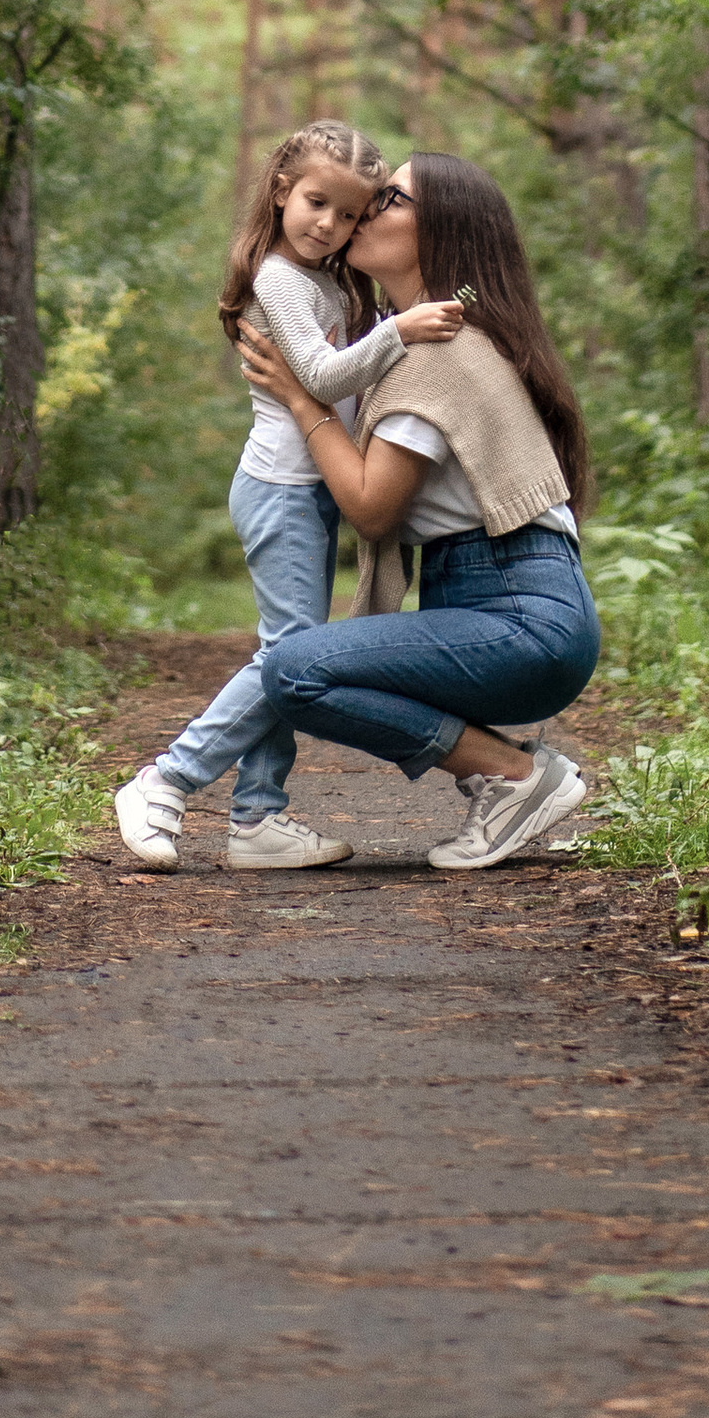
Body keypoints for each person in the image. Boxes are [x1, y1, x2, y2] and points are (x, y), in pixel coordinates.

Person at [113, 119, 469, 872]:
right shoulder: (278, 276)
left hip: (311, 490)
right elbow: (324, 376)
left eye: (349, 214)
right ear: (280, 191)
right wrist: (401, 330)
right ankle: (165, 781)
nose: (330, 225)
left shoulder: (330, 279)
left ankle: (258, 819)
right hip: (279, 490)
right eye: (316, 203)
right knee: (291, 656)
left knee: (290, 652)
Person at [233, 149, 599, 874]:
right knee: (312, 662)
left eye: (389, 199)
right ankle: (507, 775)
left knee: (298, 671)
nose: (363, 210)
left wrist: (303, 402)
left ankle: (518, 776)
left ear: (442, 234)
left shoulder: (433, 355)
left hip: (522, 613)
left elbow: (371, 510)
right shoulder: (427, 337)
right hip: (507, 604)